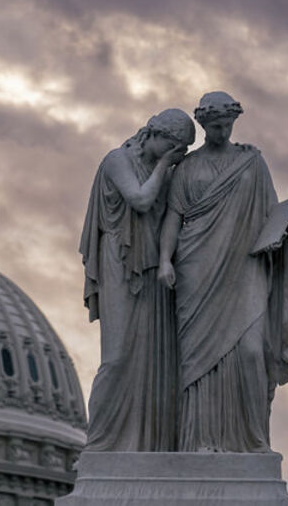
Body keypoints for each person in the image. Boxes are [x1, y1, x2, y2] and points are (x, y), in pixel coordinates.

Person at [158, 92, 288, 453]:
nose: (222, 132)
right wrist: (164, 260)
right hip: (197, 268)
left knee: (251, 352)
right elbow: (173, 218)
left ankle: (252, 441)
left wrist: (278, 237)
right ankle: (201, 441)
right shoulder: (187, 168)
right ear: (203, 125)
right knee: (198, 361)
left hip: (245, 266)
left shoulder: (252, 163)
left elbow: (272, 214)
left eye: (226, 125)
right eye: (215, 127)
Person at [79, 108, 196, 451]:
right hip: (120, 258)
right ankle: (101, 444)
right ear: (156, 135)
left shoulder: (167, 173)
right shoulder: (118, 160)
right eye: (175, 148)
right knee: (117, 357)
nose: (178, 156)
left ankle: (148, 445)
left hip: (153, 268)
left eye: (183, 152)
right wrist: (165, 165)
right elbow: (141, 200)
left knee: (153, 360)